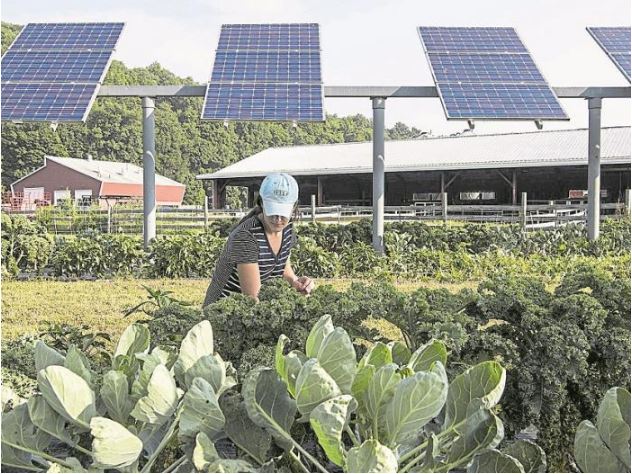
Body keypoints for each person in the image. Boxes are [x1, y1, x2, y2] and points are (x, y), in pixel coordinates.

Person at [203, 173, 314, 307]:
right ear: (261, 203)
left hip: (253, 307)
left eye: (283, 213)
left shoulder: (287, 230)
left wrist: (296, 282)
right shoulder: (246, 236)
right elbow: (253, 298)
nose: (277, 219)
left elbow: (282, 266)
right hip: (223, 311)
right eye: (272, 212)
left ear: (294, 207)